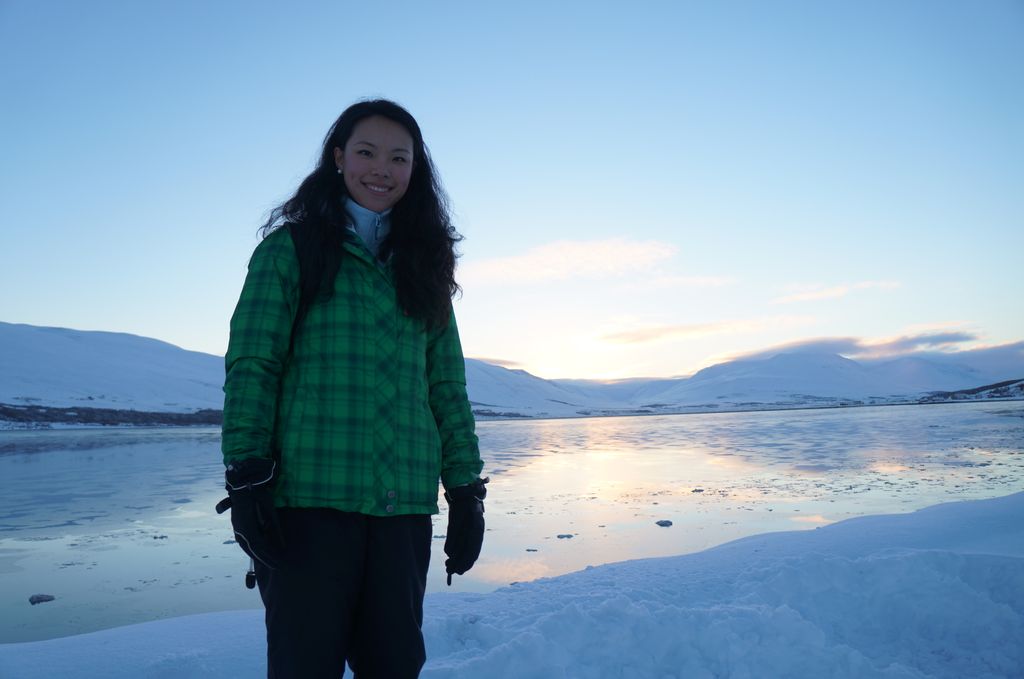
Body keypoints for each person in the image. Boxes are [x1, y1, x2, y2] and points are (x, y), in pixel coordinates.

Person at [219, 98, 487, 679]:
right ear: (338, 157)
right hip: (307, 505)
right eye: (367, 152)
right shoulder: (290, 251)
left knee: (394, 665)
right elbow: (253, 365)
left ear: (415, 170)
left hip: (403, 509)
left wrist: (466, 489)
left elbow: (446, 385)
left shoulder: (423, 265)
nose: (381, 169)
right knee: (304, 665)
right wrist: (246, 474)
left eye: (399, 158)